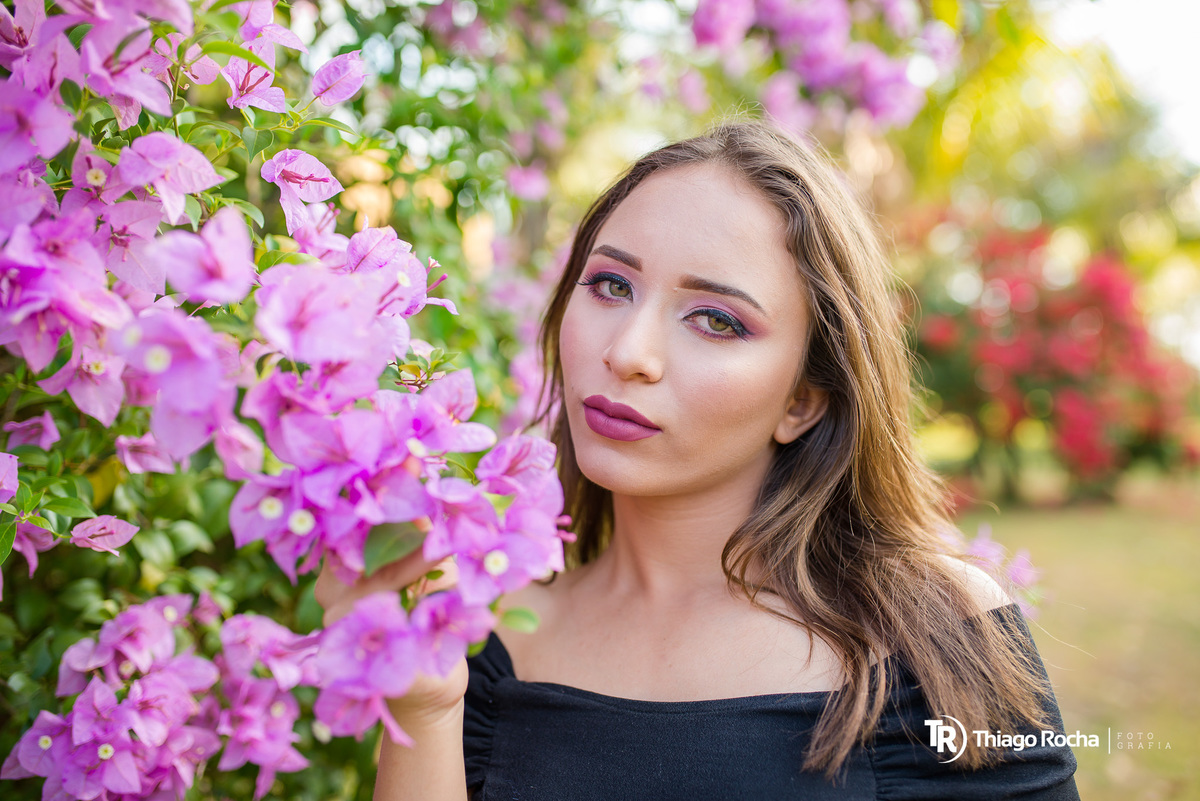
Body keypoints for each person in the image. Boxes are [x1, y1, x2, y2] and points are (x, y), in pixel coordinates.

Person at [315, 120, 1081, 799]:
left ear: (803, 399)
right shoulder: (487, 640)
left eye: (716, 319)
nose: (628, 352)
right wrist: (423, 709)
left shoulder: (935, 633)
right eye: (609, 283)